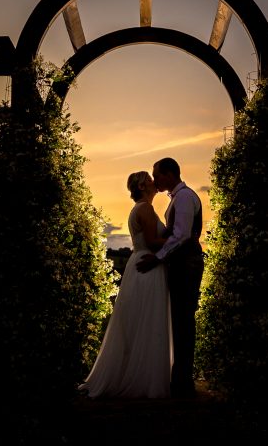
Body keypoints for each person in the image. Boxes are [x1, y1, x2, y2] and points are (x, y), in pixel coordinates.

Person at [78, 171, 172, 399]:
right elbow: (151, 242)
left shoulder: (138, 209)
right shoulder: (145, 209)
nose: (153, 181)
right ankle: (142, 379)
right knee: (148, 320)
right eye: (149, 179)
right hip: (147, 266)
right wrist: (181, 238)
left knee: (138, 321)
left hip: (138, 263)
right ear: (141, 186)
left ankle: (135, 374)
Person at [136, 157, 204, 398]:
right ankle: (180, 381)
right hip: (181, 264)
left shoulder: (184, 197)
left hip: (187, 264)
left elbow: (182, 234)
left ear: (168, 174)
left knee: (184, 320)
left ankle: (184, 384)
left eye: (157, 175)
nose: (154, 180)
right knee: (180, 320)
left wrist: (158, 257)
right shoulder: (177, 198)